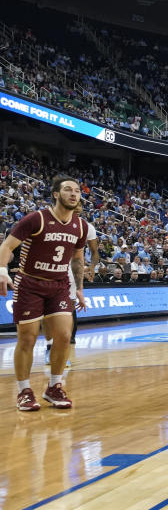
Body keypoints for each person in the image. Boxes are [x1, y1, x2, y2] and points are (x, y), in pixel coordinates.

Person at [0, 175, 88, 411]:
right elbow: (6, 246)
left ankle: (54, 386)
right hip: (30, 283)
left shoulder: (81, 225)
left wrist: (78, 289)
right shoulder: (35, 219)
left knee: (63, 336)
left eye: (77, 191)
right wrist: (1, 270)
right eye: (68, 190)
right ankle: (24, 391)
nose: (74, 194)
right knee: (27, 338)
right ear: (56, 194)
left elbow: (77, 260)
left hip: (59, 285)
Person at [45, 203, 99, 367]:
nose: (77, 208)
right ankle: (49, 347)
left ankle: (60, 350)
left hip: (70, 270)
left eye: (79, 206)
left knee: (67, 311)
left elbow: (94, 251)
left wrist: (92, 267)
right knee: (47, 314)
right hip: (48, 268)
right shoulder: (49, 221)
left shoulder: (86, 227)